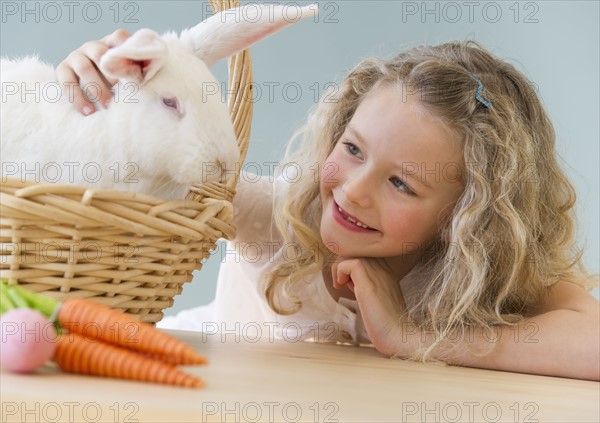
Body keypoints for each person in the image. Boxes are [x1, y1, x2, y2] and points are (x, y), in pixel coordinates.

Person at [57, 30, 599, 381]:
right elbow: (133, 177)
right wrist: (109, 94)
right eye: (353, 148)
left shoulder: (472, 274)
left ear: (467, 216)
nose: (354, 189)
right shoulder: (282, 213)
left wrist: (412, 338)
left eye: (403, 184)